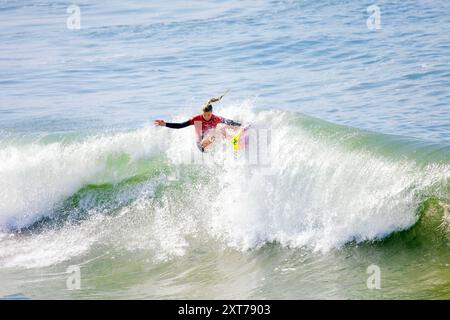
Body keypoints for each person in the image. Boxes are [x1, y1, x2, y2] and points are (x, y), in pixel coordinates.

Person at [154, 93, 241, 152]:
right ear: (201, 113)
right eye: (205, 115)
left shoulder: (215, 118)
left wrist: (240, 125)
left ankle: (236, 138)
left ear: (212, 112)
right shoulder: (197, 119)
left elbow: (229, 121)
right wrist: (165, 124)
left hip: (211, 141)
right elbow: (181, 125)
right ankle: (232, 141)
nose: (207, 117)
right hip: (202, 146)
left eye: (209, 115)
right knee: (215, 131)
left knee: (225, 126)